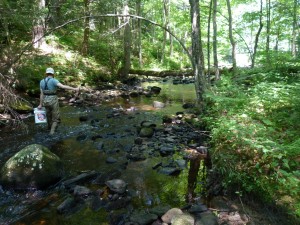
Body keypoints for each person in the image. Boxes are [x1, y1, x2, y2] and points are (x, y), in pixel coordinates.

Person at [38, 67, 79, 134]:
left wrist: (40, 104)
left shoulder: (41, 81)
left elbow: (41, 94)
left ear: (46, 73)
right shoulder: (54, 80)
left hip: (45, 101)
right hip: (53, 100)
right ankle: (52, 133)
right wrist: (74, 88)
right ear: (53, 74)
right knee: (56, 119)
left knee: (48, 116)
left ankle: (48, 129)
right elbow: (63, 86)